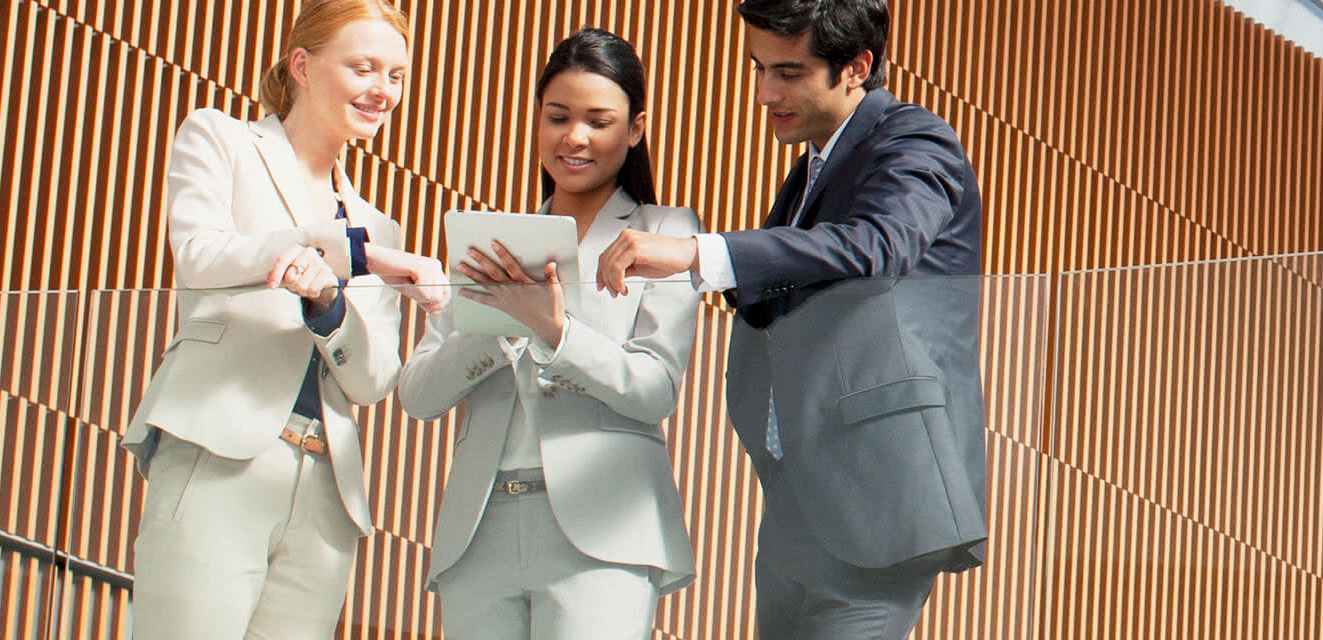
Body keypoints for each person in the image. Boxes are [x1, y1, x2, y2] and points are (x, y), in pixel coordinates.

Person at [594, 1, 986, 637]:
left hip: (880, 500)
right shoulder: (811, 168)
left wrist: (700, 253)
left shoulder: (916, 140)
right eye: (758, 68)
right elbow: (778, 294)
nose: (764, 92)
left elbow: (877, 245)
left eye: (789, 73)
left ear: (857, 67)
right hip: (798, 501)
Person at [120, 0, 448, 637]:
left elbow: (374, 378)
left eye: (397, 75)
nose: (383, 90)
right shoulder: (221, 139)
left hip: (327, 488)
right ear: (302, 64)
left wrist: (330, 307)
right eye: (363, 67)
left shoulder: (380, 224)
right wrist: (353, 253)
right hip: (218, 448)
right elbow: (199, 254)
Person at [393, 27, 702, 640]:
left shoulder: (665, 230)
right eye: (557, 116)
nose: (575, 137)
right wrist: (502, 324)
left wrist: (555, 331)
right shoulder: (496, 242)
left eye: (599, 120)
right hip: (478, 531)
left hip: (606, 528)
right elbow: (417, 394)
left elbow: (655, 388)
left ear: (635, 129)